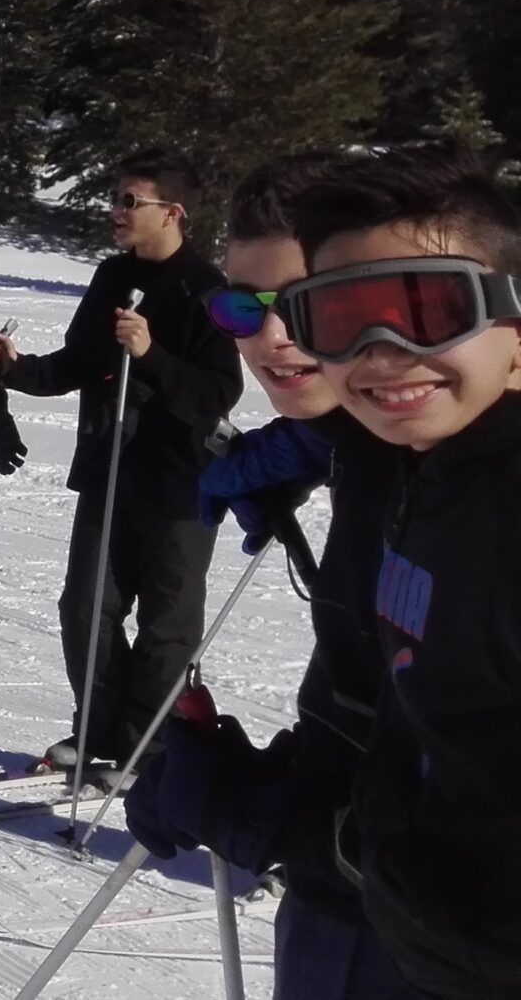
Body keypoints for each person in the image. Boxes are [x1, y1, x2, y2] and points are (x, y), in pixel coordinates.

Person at [123, 152, 424, 1000]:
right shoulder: (374, 450)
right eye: (242, 309)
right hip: (343, 909)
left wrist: (262, 816)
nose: (273, 339)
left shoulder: (472, 498)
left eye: (310, 303)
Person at [271, 145, 521, 999]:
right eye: (339, 320)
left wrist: (328, 846)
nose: (382, 352)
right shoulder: (434, 468)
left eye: (431, 307)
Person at [0, 149, 243, 774]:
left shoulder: (206, 289)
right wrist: (16, 370)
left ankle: (151, 748)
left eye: (132, 201)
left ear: (172, 213)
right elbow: (78, 363)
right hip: (110, 470)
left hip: (180, 484)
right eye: (117, 198)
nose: (117, 211)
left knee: (167, 626)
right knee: (86, 608)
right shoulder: (110, 277)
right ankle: (97, 732)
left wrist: (151, 353)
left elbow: (217, 393)